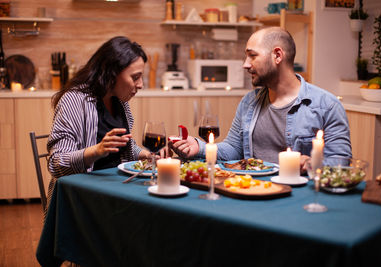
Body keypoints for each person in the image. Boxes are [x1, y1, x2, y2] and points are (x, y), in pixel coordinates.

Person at [169, 27, 352, 171]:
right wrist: (199, 147)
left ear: (277, 55)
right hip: (252, 189)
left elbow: (341, 165)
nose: (245, 64)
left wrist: (312, 163)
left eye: (252, 56)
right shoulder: (250, 101)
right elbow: (233, 149)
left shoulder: (326, 106)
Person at [47, 36, 164, 205]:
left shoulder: (120, 102)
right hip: (84, 197)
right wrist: (96, 151)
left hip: (118, 188)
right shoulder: (74, 100)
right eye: (135, 77)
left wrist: (146, 155)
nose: (140, 85)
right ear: (112, 73)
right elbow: (56, 163)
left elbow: (123, 146)